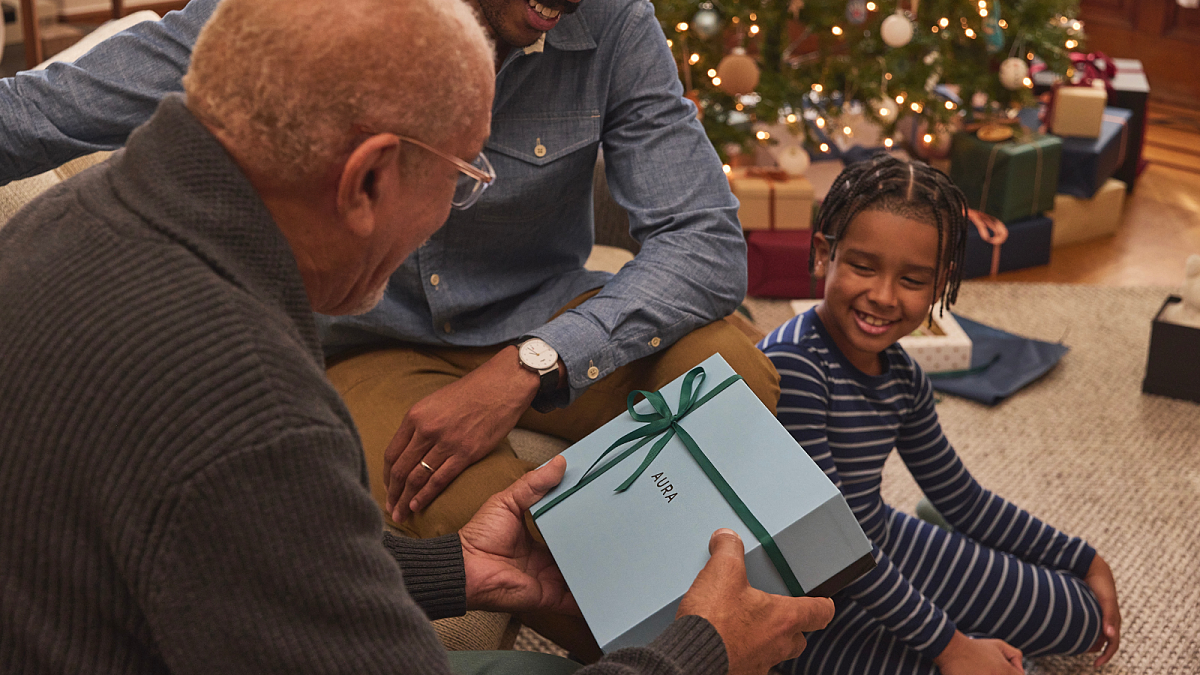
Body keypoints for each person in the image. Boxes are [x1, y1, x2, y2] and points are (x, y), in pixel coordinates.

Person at [0, 0, 837, 672]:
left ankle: (755, 585)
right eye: (464, 176)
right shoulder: (264, 413)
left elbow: (274, 561)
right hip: (375, 358)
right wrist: (697, 654)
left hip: (545, 322)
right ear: (366, 177)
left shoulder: (60, 238)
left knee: (726, 363)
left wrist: (458, 570)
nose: (462, 203)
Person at [755, 156, 1122, 675]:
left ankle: (938, 584)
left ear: (940, 283)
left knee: (1082, 616)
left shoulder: (902, 374)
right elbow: (834, 550)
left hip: (877, 541)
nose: (883, 296)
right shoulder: (792, 365)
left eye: (912, 279)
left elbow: (964, 499)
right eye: (862, 266)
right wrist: (953, 647)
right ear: (823, 254)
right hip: (803, 601)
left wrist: (1085, 558)